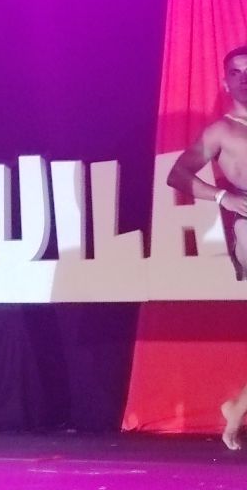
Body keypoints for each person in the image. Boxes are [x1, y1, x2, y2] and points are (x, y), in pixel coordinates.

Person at [167, 45, 247, 450]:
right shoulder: (221, 130)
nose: (245, 79)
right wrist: (223, 197)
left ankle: (238, 405)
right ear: (225, 81)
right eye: (237, 73)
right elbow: (178, 174)